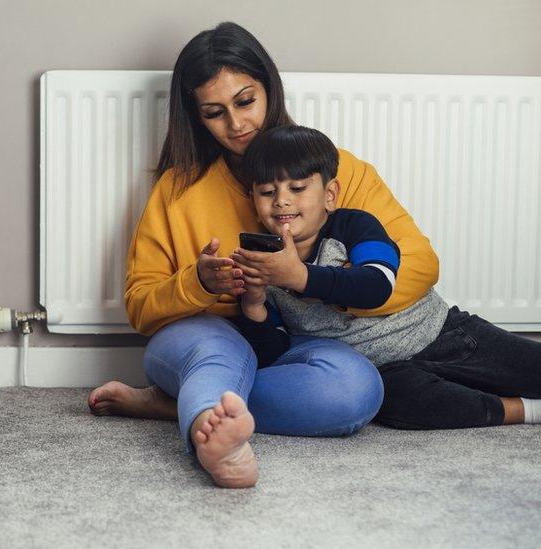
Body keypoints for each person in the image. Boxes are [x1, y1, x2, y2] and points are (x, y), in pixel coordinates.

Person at [87, 21, 439, 489]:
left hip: (292, 339)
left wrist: (308, 283)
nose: (237, 125)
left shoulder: (336, 169)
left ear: (270, 88)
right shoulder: (177, 189)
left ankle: (178, 403)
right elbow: (140, 304)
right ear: (196, 116)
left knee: (358, 389)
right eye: (214, 112)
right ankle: (211, 441)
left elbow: (420, 264)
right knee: (219, 350)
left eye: (246, 101)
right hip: (208, 335)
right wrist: (199, 284)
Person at [232, 124, 541, 430]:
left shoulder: (356, 226)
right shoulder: (260, 263)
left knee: (529, 366)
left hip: (439, 332)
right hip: (386, 371)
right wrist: (254, 306)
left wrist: (301, 276)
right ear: (254, 201)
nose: (281, 200)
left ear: (329, 194)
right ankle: (524, 410)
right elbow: (273, 354)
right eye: (267, 192)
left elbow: (377, 285)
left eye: (297, 188)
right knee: (402, 407)